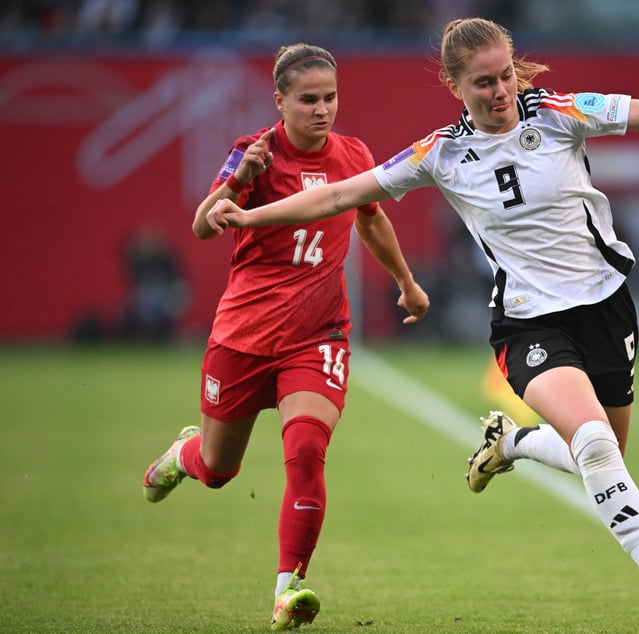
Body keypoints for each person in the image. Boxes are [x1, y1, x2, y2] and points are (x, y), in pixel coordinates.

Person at [207, 18, 639, 629]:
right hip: (527, 325)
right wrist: (252, 220)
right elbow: (337, 197)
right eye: (484, 82)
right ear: (456, 87)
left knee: (608, 452)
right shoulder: (441, 153)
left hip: (606, 307)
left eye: (507, 75)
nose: (501, 91)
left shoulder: (561, 113)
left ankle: (510, 442)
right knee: (594, 443)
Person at [140, 43, 430, 631]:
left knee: (304, 451)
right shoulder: (254, 155)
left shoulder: (353, 155)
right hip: (244, 335)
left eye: (330, 98)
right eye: (308, 100)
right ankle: (183, 455)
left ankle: (287, 587)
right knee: (220, 469)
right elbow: (202, 227)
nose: (322, 110)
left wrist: (405, 281)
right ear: (280, 101)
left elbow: (372, 220)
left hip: (319, 335)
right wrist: (237, 184)